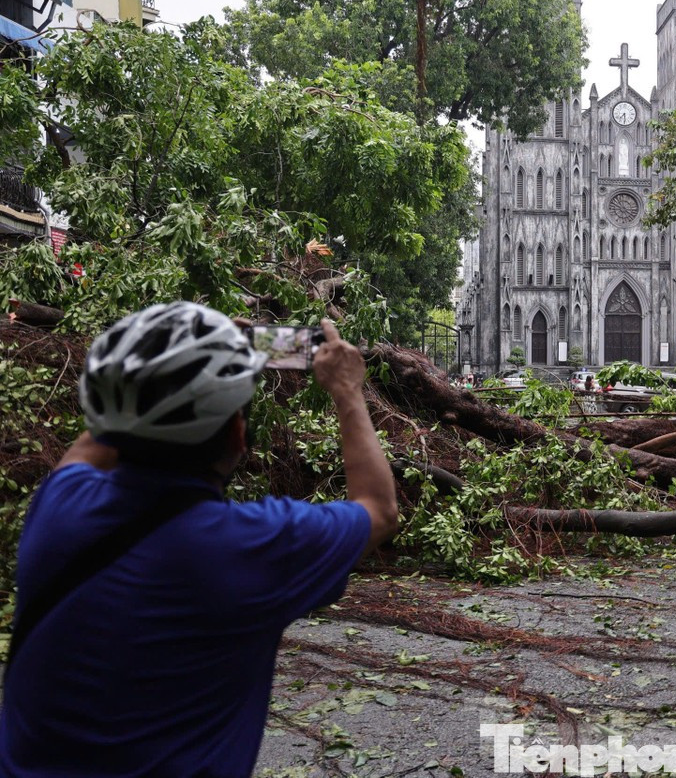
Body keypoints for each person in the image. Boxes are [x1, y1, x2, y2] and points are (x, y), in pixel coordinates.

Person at [0, 302, 398, 776]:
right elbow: (378, 508)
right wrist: (348, 391)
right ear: (237, 433)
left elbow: (107, 431)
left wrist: (175, 358)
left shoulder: (59, 508)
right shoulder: (252, 546)